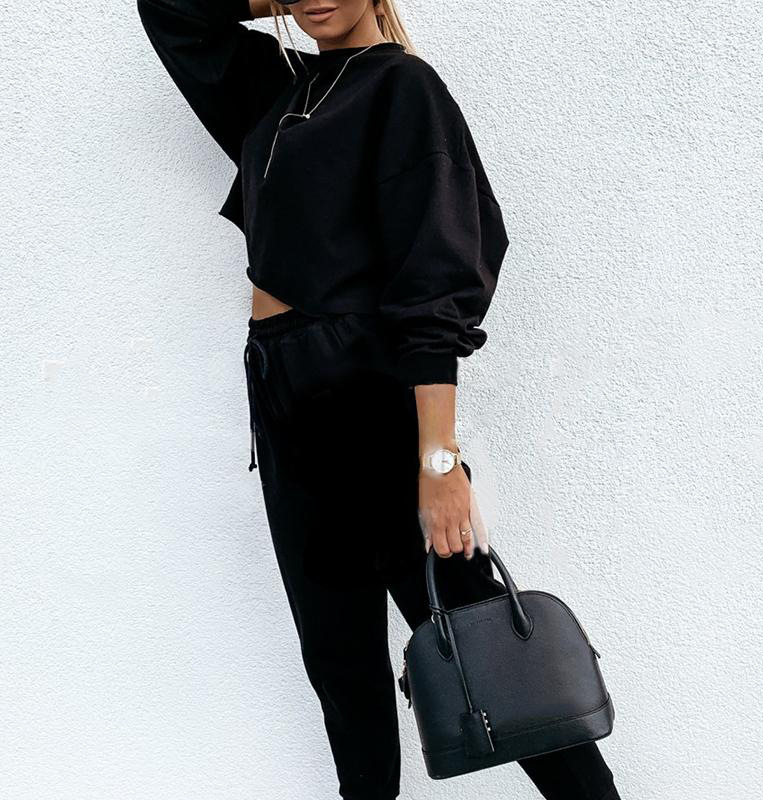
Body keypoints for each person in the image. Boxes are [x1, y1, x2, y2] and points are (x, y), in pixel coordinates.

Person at [136, 1, 622, 798]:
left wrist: (439, 463)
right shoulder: (280, 90)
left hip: (372, 403)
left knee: (487, 648)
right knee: (341, 668)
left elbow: (435, 279)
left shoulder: (403, 88)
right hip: (285, 402)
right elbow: (172, 10)